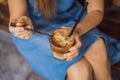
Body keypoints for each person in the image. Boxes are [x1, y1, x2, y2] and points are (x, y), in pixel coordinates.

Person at [8, 0, 120, 80]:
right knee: (80, 71)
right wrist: (19, 23)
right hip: (35, 29)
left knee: (97, 45)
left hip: (72, 19)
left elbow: (96, 10)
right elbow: (16, 17)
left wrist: (78, 30)